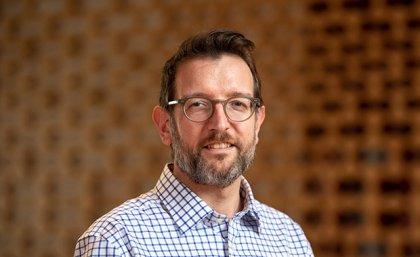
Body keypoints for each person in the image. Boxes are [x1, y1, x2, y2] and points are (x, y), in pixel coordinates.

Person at [74, 29, 314, 257]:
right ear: (165, 125)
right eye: (198, 104)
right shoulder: (115, 242)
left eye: (238, 103)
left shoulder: (290, 240)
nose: (220, 124)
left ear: (258, 122)